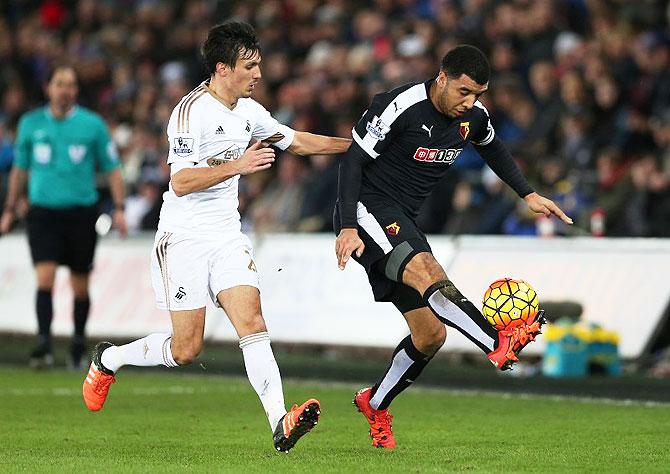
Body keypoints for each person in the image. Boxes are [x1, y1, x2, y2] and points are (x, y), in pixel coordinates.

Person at [82, 21, 351, 453]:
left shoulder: (249, 110)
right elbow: (182, 182)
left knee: (253, 322)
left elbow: (297, 142)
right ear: (223, 68)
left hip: (227, 235)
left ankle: (280, 421)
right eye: (250, 66)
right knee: (187, 348)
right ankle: (109, 358)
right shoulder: (189, 113)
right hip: (183, 237)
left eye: (260, 64)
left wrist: (358, 146)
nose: (258, 74)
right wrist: (237, 166)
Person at [334, 45, 573, 449]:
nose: (471, 102)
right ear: (441, 78)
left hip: (404, 221)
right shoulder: (398, 105)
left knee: (430, 336)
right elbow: (352, 162)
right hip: (367, 212)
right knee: (428, 270)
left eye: (478, 94)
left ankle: (374, 403)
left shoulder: (473, 118)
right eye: (464, 92)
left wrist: (527, 193)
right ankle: (497, 344)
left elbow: (493, 146)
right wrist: (345, 227)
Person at [0, 65, 127, 369]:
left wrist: (120, 207)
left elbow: (112, 167)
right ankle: (44, 344)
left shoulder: (92, 125)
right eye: (59, 83)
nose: (64, 90)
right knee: (44, 278)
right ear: (48, 88)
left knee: (79, 285)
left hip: (81, 213)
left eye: (70, 84)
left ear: (76, 91)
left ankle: (77, 345)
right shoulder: (30, 124)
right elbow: (20, 170)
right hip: (43, 213)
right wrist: (9, 209)